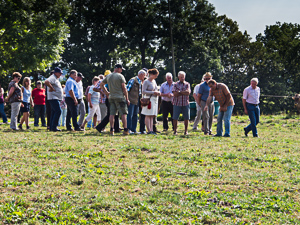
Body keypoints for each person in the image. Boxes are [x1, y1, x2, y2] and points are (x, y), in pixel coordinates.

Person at [100, 64, 129, 135]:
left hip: (111, 97)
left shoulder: (109, 76)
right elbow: (124, 88)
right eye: (121, 69)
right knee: (123, 114)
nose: (121, 71)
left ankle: (111, 129)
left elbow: (101, 84)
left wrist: (106, 92)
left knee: (112, 114)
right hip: (120, 97)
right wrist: (127, 98)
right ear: (118, 69)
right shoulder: (120, 76)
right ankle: (125, 130)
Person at [141, 68, 160, 134]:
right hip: (148, 100)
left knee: (152, 115)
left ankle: (151, 129)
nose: (156, 77)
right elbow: (143, 91)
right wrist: (153, 92)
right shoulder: (146, 81)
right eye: (155, 75)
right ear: (151, 74)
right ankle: (148, 130)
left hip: (154, 100)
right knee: (148, 115)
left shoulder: (154, 81)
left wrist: (157, 92)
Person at [127, 70, 146, 134]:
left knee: (135, 115)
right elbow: (127, 90)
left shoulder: (140, 82)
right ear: (141, 74)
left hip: (137, 100)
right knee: (130, 115)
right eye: (144, 75)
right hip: (131, 100)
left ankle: (133, 129)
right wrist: (127, 99)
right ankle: (128, 129)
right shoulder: (133, 80)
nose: (145, 77)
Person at [44, 67, 63, 132]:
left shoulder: (55, 78)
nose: (60, 74)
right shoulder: (53, 77)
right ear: (56, 73)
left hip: (55, 97)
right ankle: (54, 127)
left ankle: (52, 127)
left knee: (54, 112)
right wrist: (51, 88)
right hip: (53, 97)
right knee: (58, 111)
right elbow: (46, 81)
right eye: (60, 73)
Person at [172, 71, 191, 135]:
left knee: (186, 117)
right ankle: (175, 131)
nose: (182, 78)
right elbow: (175, 94)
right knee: (175, 117)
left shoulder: (187, 84)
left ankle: (186, 131)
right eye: (181, 77)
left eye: (183, 77)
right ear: (178, 77)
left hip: (185, 103)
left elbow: (188, 92)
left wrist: (179, 91)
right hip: (177, 103)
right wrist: (183, 92)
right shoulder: (175, 84)